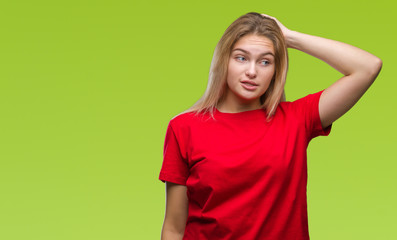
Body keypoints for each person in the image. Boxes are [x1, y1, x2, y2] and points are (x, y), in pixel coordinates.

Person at [158, 12, 382, 240]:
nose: (252, 72)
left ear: (277, 70)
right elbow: (174, 228)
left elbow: (368, 67)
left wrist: (289, 37)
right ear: (223, 60)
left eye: (265, 61)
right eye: (241, 58)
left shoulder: (297, 119)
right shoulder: (184, 127)